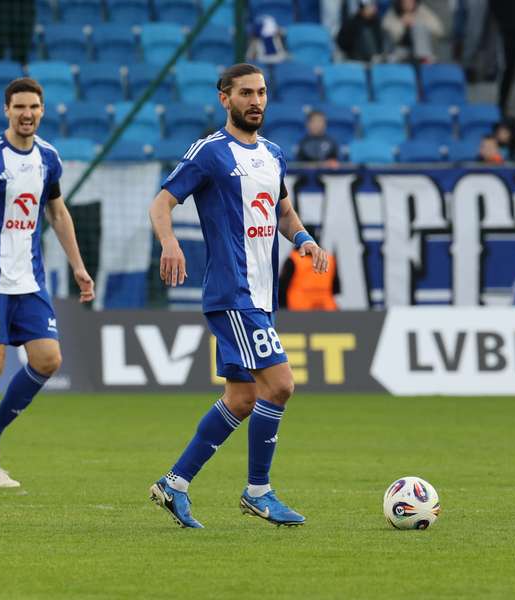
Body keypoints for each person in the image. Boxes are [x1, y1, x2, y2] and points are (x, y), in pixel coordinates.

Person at [147, 63, 329, 528]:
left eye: (262, 93)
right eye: (246, 93)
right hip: (234, 293)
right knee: (281, 385)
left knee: (243, 397)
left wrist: (304, 239)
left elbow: (283, 211)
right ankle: (258, 492)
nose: (256, 101)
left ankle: (174, 484)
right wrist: (170, 243)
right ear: (224, 98)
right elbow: (161, 202)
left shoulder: (273, 154)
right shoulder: (210, 152)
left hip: (261, 296)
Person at [0, 77, 95, 488]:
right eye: (19, 107)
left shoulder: (49, 157)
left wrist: (78, 266)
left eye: (34, 107)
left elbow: (57, 213)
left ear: (42, 110)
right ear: (6, 111)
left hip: (29, 280)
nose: (27, 114)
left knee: (48, 359)